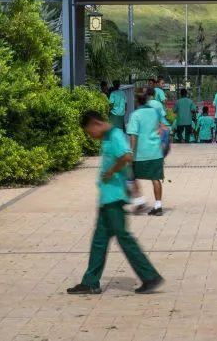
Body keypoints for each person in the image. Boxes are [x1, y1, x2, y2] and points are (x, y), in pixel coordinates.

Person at [67, 111, 163, 295]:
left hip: (114, 199)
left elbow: (127, 157)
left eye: (90, 132)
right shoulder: (108, 137)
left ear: (95, 123)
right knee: (99, 241)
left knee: (124, 238)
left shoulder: (115, 134)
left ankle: (150, 276)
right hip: (108, 198)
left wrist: (111, 172)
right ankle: (90, 282)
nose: (91, 136)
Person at [126, 89, 168, 216]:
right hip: (156, 152)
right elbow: (163, 127)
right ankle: (158, 206)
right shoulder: (155, 112)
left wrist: (131, 152)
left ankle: (139, 202)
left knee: (131, 176)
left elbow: (133, 135)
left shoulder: (135, 115)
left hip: (140, 154)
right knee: (156, 179)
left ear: (136, 101)